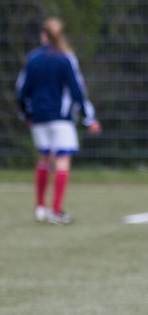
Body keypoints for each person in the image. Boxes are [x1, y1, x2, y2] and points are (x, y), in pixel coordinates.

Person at [15, 16, 101, 224]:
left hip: (38, 118)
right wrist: (89, 118)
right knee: (62, 160)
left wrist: (26, 114)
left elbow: (21, 90)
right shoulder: (65, 59)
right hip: (61, 118)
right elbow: (77, 89)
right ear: (60, 35)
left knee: (44, 158)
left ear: (43, 35)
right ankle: (56, 210)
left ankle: (40, 207)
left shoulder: (33, 59)